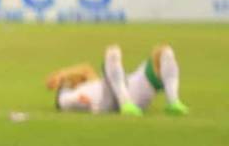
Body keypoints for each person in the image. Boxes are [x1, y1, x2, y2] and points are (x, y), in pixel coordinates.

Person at [47, 44, 188, 115]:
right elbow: (65, 100)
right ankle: (125, 102)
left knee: (165, 52)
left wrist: (62, 74)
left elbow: (86, 69)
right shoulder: (71, 94)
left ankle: (174, 102)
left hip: (132, 88)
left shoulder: (95, 81)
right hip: (108, 102)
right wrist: (77, 98)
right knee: (113, 52)